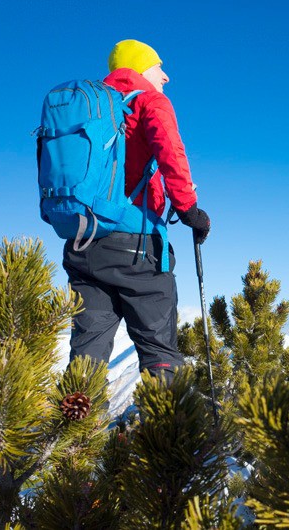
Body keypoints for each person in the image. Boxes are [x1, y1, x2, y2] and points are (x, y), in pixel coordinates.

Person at [62, 39, 210, 382]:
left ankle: (77, 433)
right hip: (136, 248)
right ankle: (167, 434)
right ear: (141, 68)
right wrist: (191, 212)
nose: (166, 76)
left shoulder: (90, 111)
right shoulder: (148, 102)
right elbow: (171, 152)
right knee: (159, 353)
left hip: (84, 244)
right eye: (159, 67)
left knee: (87, 355)